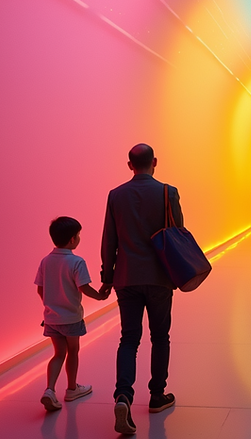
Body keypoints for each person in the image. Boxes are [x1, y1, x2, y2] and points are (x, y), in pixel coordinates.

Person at [100, 144, 181, 434]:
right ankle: (157, 396)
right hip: (159, 277)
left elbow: (109, 238)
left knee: (129, 339)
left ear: (129, 165)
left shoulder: (116, 195)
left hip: (127, 277)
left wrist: (107, 276)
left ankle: (123, 396)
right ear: (155, 162)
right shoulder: (167, 192)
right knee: (160, 336)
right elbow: (177, 234)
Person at [35, 216, 109, 411]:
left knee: (58, 354)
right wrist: (100, 296)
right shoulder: (76, 262)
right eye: (78, 235)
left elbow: (40, 289)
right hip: (71, 318)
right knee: (73, 352)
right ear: (72, 240)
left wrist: (50, 306)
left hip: (51, 318)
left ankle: (49, 390)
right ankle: (71, 388)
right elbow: (84, 287)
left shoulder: (46, 261)